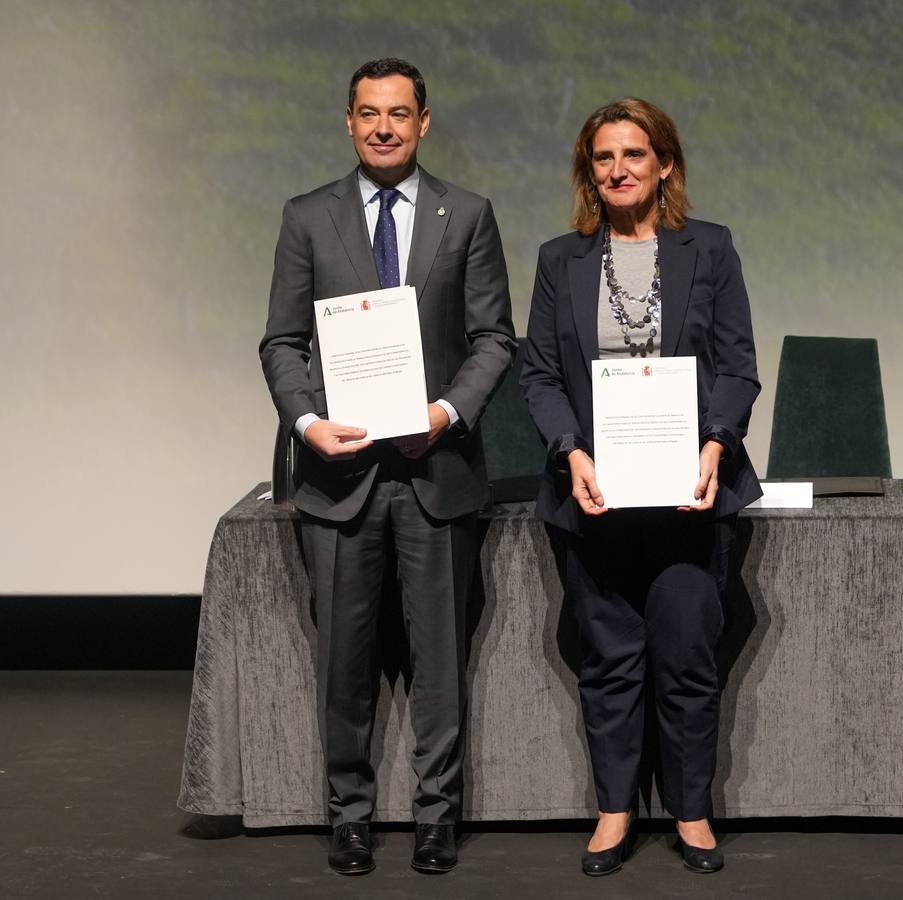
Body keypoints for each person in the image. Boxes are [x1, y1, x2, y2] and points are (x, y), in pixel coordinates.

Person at [259, 58, 515, 875]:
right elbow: (282, 342)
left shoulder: (466, 213)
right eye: (368, 113)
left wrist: (443, 415)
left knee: (440, 663)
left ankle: (438, 817)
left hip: (436, 473)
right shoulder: (308, 217)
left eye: (399, 114)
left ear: (424, 122)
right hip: (340, 478)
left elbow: (492, 340)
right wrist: (305, 422)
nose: (383, 127)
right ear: (347, 121)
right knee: (344, 662)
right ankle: (349, 817)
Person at [519, 98, 762, 876]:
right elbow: (541, 375)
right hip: (598, 498)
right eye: (603, 158)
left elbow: (737, 366)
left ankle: (691, 813)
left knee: (688, 658)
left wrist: (717, 443)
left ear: (664, 163)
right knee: (609, 662)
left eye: (633, 154)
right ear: (588, 173)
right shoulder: (561, 260)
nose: (618, 170)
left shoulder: (710, 250)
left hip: (689, 497)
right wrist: (570, 451)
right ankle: (615, 810)